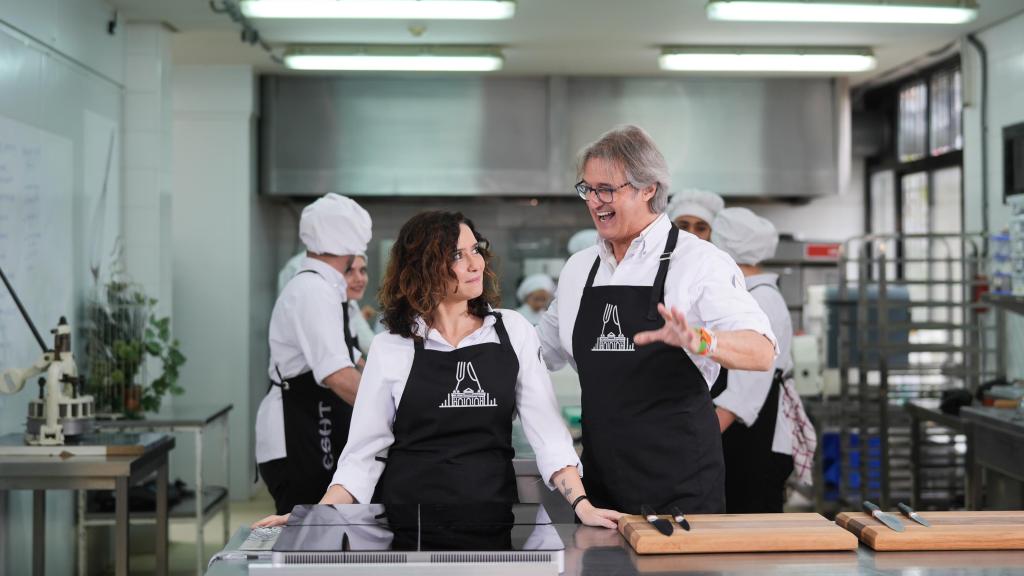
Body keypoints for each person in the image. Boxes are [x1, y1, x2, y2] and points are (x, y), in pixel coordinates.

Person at [254, 211, 622, 529]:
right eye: (458, 256)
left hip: (489, 519)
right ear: (424, 268)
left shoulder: (513, 332)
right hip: (407, 522)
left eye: (475, 250)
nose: (475, 264)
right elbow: (363, 455)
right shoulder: (392, 346)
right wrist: (320, 513)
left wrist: (581, 503)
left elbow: (549, 437)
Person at [537, 125, 777, 515]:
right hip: (601, 486)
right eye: (588, 189)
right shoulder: (579, 269)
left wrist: (704, 341)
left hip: (681, 485)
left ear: (649, 188)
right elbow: (538, 351)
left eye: (607, 189)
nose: (595, 201)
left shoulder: (698, 262)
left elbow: (761, 351)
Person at [255, 193, 370, 516]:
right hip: (297, 436)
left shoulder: (326, 288)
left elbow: (355, 358)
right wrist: (396, 412)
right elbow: (338, 375)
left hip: (311, 424)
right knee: (310, 536)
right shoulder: (313, 291)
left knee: (324, 531)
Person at [710, 207, 817, 513]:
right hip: (746, 438)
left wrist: (694, 445)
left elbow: (742, 396)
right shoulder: (751, 295)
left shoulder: (761, 301)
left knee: (749, 533)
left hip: (755, 440)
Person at [343, 254, 376, 357]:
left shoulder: (351, 304)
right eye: (349, 271)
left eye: (362, 271)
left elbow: (370, 344)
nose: (359, 279)